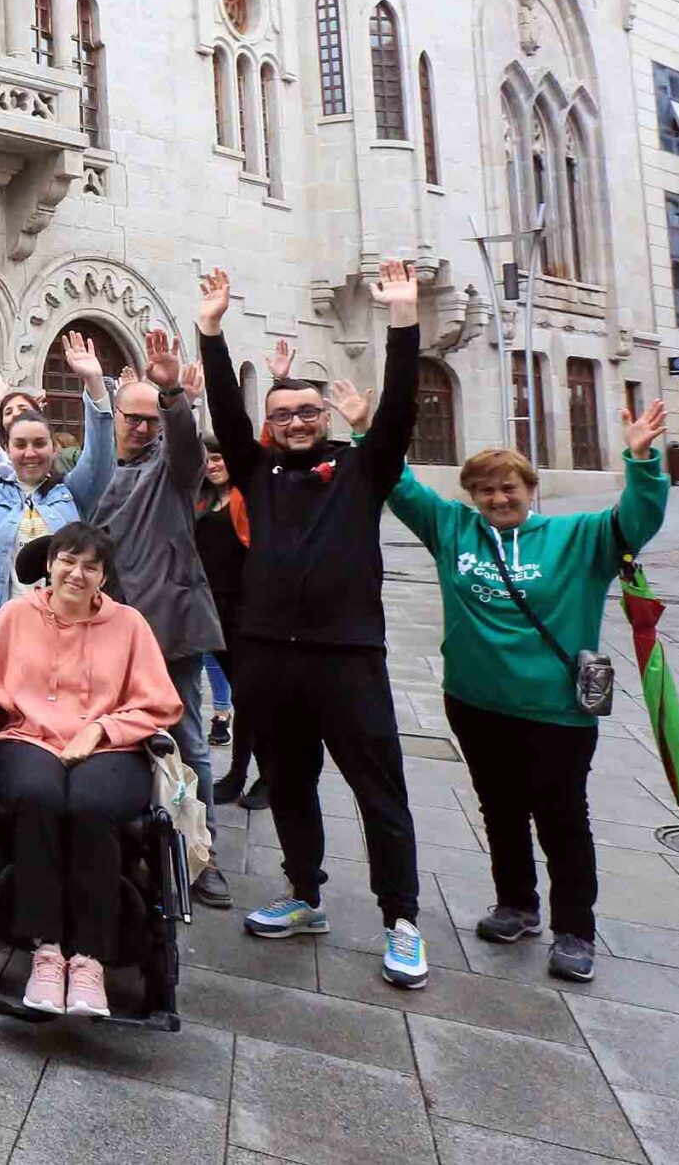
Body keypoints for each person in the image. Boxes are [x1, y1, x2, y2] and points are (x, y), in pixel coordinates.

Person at [197, 261, 431, 988]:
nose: (294, 422)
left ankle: (403, 919)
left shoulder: (364, 469)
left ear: (325, 415)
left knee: (378, 788)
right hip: (270, 657)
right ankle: (304, 893)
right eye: (282, 415)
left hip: (347, 655)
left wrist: (402, 322)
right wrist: (210, 331)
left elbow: (396, 413)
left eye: (306, 411)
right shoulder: (256, 471)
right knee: (290, 782)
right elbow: (226, 417)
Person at [387, 400, 671, 984]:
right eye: (485, 490)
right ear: (472, 496)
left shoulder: (580, 538)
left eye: (508, 487)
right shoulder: (453, 530)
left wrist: (641, 459)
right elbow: (399, 486)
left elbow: (638, 517)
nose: (498, 499)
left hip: (557, 711)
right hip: (475, 702)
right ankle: (517, 904)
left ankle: (575, 930)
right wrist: (370, 426)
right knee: (500, 810)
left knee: (563, 816)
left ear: (530, 487)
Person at [0, 523, 183, 1018]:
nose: (77, 573)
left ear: (104, 576)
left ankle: (89, 959)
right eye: (68, 561)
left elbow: (159, 703)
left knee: (92, 806)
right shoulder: (16, 615)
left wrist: (99, 731)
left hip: (107, 745)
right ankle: (48, 950)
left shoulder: (130, 625)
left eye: (91, 566)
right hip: (27, 735)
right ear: (50, 564)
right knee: (38, 798)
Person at [87, 327, 236, 910]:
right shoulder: (93, 471)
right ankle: (127, 841)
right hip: (104, 632)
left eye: (153, 418)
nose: (143, 427)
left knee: (188, 740)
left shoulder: (171, 469)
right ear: (115, 416)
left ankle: (201, 854)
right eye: (135, 417)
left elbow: (189, 448)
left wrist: (173, 394)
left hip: (169, 628)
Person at [0, 329, 116, 665]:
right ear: (6, 448)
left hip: (63, 632)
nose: (30, 453)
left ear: (53, 447)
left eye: (39, 443)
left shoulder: (73, 494)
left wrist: (94, 384)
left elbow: (102, 453)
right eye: (20, 444)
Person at [192, 436, 263, 810]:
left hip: (244, 610)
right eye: (207, 459)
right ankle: (240, 774)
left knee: (252, 697)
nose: (212, 465)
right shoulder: (203, 499)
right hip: (212, 610)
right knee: (244, 694)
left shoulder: (245, 497)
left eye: (219, 457)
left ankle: (259, 776)